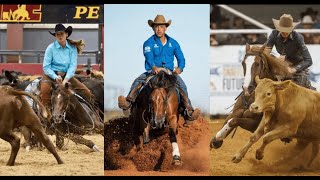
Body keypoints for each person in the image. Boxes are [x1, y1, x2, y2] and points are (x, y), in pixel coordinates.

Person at [118, 14, 200, 122]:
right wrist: (153, 66)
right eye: (156, 27)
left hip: (169, 73)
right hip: (152, 72)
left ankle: (188, 111)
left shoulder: (173, 43)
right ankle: (128, 103)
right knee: (138, 81)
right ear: (153, 28)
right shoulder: (148, 43)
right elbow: (148, 57)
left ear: (165, 28)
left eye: (161, 26)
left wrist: (180, 68)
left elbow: (181, 58)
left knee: (182, 86)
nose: (159, 29)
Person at [40, 23, 95, 112]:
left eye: (61, 33)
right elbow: (46, 67)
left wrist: (66, 79)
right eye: (57, 34)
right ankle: (46, 116)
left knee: (87, 92)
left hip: (66, 75)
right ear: (55, 36)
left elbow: (72, 66)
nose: (59, 36)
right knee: (45, 92)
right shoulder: (50, 48)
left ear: (66, 34)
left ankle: (92, 113)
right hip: (50, 74)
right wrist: (55, 77)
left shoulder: (72, 48)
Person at [265, 14, 315, 90]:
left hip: (297, 65)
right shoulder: (274, 34)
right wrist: (276, 60)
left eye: (287, 30)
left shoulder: (298, 38)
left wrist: (293, 69)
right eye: (283, 30)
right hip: (282, 65)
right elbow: (266, 53)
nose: (285, 33)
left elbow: (309, 61)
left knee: (297, 86)